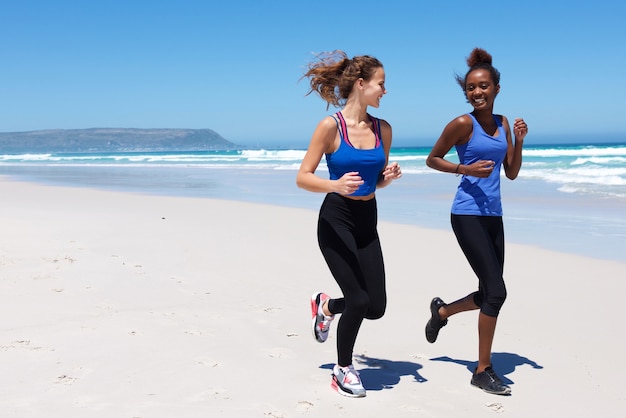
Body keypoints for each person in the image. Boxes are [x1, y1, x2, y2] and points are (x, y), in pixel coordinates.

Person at [296, 50, 402, 398]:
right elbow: (303, 177)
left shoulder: (382, 129)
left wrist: (386, 178)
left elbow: (374, 182)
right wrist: (334, 185)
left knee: (376, 306)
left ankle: (326, 307)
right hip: (335, 217)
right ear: (361, 84)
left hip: (367, 219)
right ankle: (343, 370)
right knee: (358, 298)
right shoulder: (331, 126)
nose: (385, 91)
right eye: (380, 84)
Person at [424, 48, 527, 396]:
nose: (477, 92)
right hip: (466, 214)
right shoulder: (462, 124)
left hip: (493, 216)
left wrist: (520, 141)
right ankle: (482, 369)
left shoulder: (502, 124)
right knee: (497, 292)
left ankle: (442, 312)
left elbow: (510, 173)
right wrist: (463, 168)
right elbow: (432, 159)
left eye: (483, 86)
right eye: (471, 88)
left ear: (497, 87)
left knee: (488, 291)